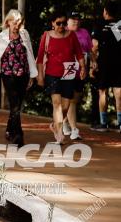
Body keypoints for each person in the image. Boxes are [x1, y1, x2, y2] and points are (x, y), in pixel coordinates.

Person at [0, 9, 37, 148]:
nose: (17, 26)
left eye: (19, 23)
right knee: (15, 104)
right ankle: (18, 135)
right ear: (8, 22)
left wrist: (32, 75)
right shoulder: (1, 36)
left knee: (17, 106)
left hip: (23, 74)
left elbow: (30, 55)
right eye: (14, 23)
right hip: (8, 75)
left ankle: (9, 129)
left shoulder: (24, 34)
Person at [36, 12, 86, 143]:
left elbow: (79, 53)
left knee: (66, 105)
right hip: (52, 74)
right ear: (52, 23)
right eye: (58, 23)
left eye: (64, 23)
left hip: (69, 72)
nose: (62, 26)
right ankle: (59, 135)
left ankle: (55, 124)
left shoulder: (71, 35)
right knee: (57, 104)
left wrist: (83, 67)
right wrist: (40, 75)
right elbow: (40, 58)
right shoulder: (46, 36)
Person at [91, 0, 121, 132]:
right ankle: (120, 123)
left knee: (102, 91)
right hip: (118, 63)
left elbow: (95, 45)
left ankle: (103, 123)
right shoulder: (119, 25)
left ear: (105, 12)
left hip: (103, 63)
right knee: (118, 92)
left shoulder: (99, 24)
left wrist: (93, 64)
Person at [64, 12, 93, 140]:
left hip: (81, 69)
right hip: (68, 68)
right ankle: (74, 129)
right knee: (70, 99)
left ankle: (65, 121)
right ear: (67, 21)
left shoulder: (84, 32)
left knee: (75, 99)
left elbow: (90, 50)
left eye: (77, 19)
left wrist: (93, 63)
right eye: (73, 19)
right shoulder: (63, 31)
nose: (76, 22)